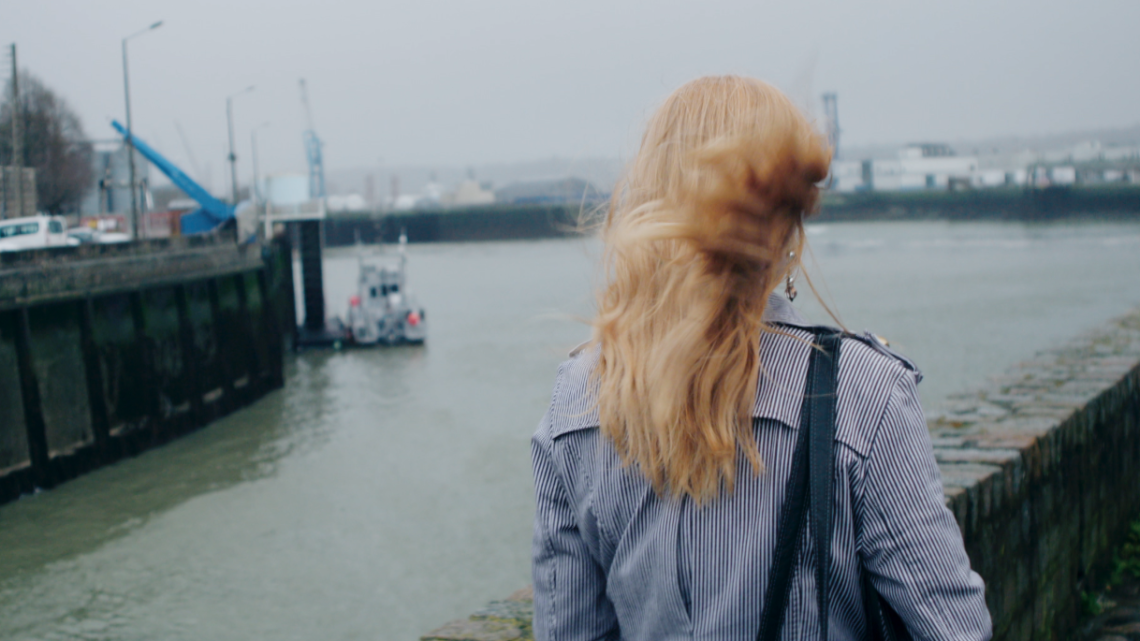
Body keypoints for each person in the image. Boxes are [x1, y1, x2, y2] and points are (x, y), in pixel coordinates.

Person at [530, 76, 991, 640]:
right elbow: (955, 629)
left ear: (652, 197)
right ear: (787, 224)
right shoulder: (864, 395)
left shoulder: (577, 402)